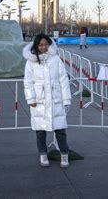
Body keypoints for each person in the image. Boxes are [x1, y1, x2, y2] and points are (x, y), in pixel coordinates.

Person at [23, 33, 72, 168]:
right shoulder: (31, 61)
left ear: (49, 45)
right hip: (40, 101)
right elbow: (28, 82)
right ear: (36, 46)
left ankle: (64, 154)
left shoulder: (55, 59)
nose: (43, 47)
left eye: (45, 44)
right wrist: (31, 98)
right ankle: (43, 154)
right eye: (40, 44)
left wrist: (66, 99)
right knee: (40, 131)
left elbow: (63, 79)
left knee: (60, 130)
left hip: (56, 99)